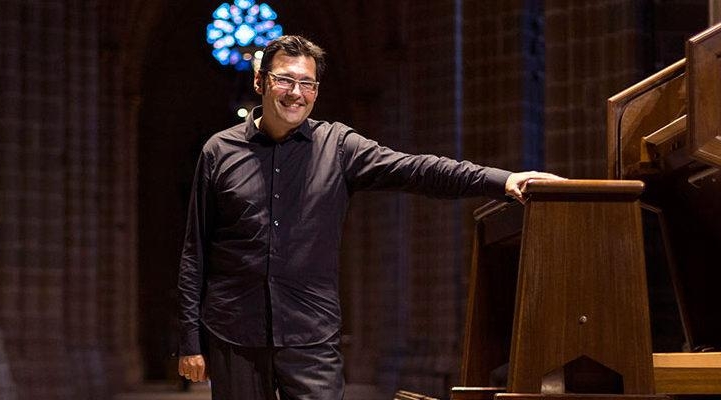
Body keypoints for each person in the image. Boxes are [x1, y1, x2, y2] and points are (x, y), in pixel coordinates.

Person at [177, 35, 561, 400]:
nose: (296, 92)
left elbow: (419, 170)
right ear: (261, 82)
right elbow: (196, 252)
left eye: (307, 83)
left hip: (311, 332)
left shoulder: (338, 146)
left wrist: (503, 180)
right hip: (235, 335)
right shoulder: (219, 151)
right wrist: (190, 341)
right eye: (285, 80)